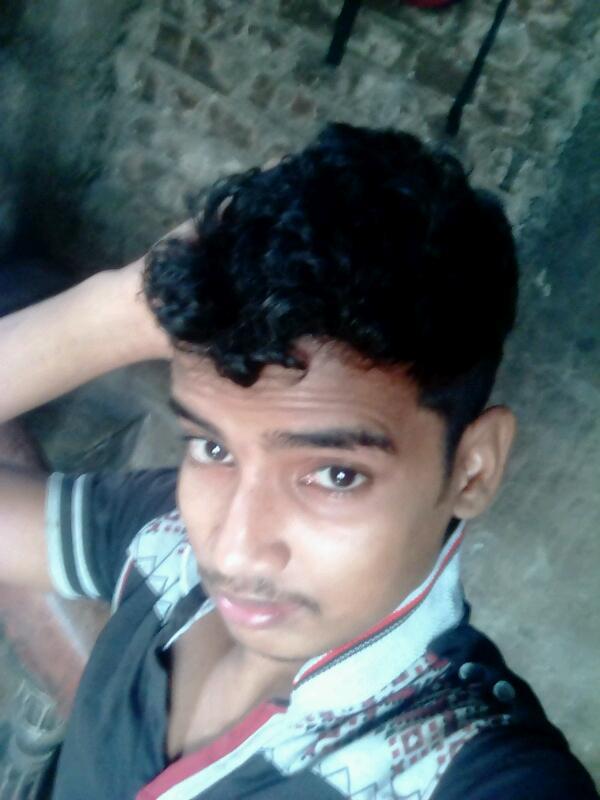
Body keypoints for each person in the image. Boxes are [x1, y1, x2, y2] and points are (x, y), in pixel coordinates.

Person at [0, 123, 596, 799]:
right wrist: (123, 309)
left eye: (336, 475)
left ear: (473, 469)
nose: (234, 547)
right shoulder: (161, 537)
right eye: (213, 447)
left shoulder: (466, 771)